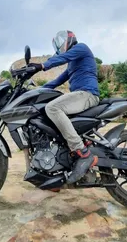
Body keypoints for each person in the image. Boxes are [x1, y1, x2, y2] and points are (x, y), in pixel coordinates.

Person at [28, 30, 99, 183]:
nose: (59, 47)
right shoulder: (73, 63)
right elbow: (56, 81)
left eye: (59, 42)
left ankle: (82, 151)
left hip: (87, 94)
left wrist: (41, 65)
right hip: (80, 96)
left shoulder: (81, 48)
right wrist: (35, 91)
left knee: (52, 108)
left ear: (67, 39)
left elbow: (62, 57)